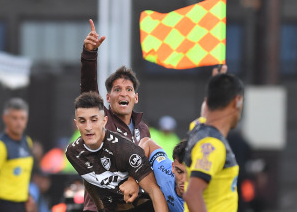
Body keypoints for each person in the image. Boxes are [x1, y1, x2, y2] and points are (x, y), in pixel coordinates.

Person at [79, 19, 151, 211]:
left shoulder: (143, 129)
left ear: (135, 97)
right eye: (117, 89)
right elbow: (88, 91)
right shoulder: (101, 121)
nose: (123, 93)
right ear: (108, 97)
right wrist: (89, 54)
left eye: (128, 89)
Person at [65, 91, 168, 212]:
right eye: (82, 121)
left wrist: (133, 180)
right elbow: (89, 179)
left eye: (94, 120)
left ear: (104, 121)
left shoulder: (125, 149)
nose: (88, 127)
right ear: (76, 124)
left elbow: (154, 191)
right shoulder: (72, 152)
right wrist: (100, 209)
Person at [183, 73, 244, 212]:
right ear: (237, 101)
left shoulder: (198, 128)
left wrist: (218, 83)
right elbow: (192, 194)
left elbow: (205, 116)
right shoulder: (212, 145)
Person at [0, 98, 34, 212]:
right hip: (3, 204)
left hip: (21, 204)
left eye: (22, 118)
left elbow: (22, 175)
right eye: (14, 118)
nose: (19, 123)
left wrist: (28, 196)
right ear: (5, 118)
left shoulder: (27, 142)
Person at [139, 137, 186, 212]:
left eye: (190, 174)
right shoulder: (164, 170)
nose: (184, 179)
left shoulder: (206, 200)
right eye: (180, 171)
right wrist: (132, 179)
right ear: (173, 167)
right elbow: (147, 143)